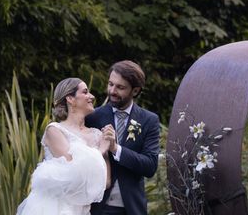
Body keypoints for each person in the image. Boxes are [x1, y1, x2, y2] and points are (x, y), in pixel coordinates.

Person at [17, 78, 111, 215]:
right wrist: (101, 150)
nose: (92, 96)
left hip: (82, 210)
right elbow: (72, 173)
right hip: (54, 208)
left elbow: (106, 182)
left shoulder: (97, 135)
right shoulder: (54, 130)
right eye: (85, 92)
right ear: (70, 99)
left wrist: (109, 146)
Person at [85, 60, 160, 215]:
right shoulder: (92, 117)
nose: (112, 91)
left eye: (120, 87)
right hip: (96, 207)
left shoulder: (149, 120)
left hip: (132, 208)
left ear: (135, 90)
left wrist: (115, 148)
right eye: (110, 84)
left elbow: (150, 166)